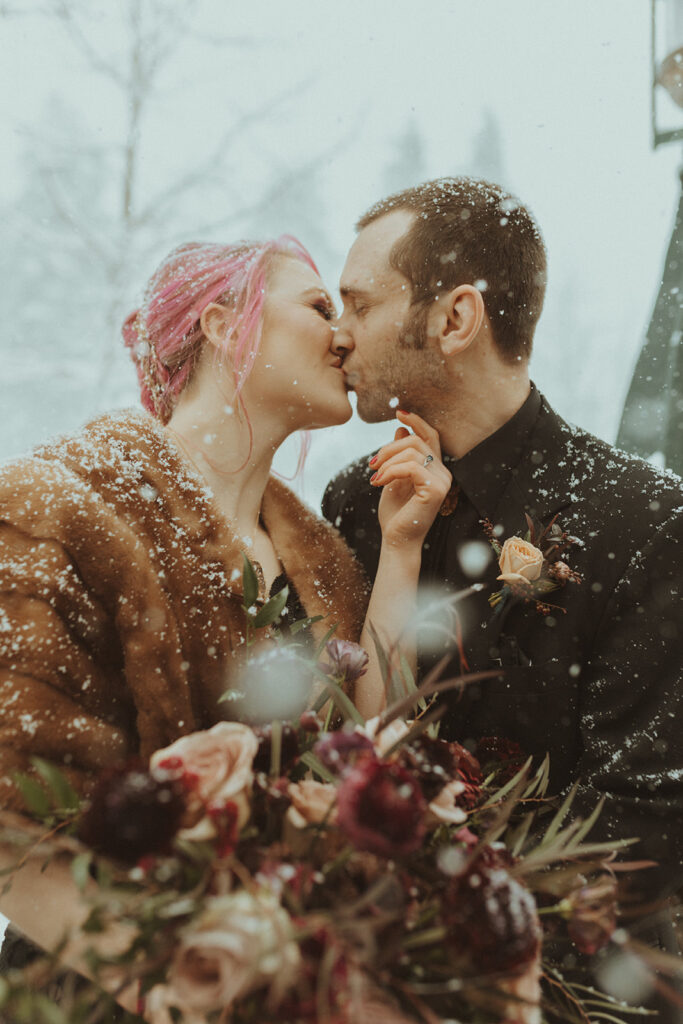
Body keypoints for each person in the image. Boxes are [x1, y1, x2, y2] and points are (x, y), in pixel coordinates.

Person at [0, 235, 450, 1009]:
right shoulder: (54, 510)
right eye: (317, 307)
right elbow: (13, 824)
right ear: (218, 324)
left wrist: (402, 547)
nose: (345, 333)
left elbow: (375, 757)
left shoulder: (327, 565)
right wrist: (170, 988)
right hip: (94, 986)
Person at [323, 178, 683, 927]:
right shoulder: (350, 506)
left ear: (456, 317)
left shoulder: (645, 523)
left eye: (360, 303)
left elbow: (636, 823)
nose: (338, 332)